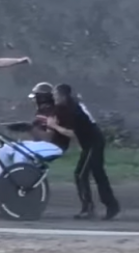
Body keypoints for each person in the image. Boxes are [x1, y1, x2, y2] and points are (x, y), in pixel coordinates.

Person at [43, 83, 120, 220]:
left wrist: (54, 126)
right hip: (91, 143)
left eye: (55, 95)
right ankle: (110, 206)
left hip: (93, 144)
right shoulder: (72, 106)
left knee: (81, 175)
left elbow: (72, 133)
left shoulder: (74, 110)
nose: (53, 97)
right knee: (97, 174)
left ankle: (89, 208)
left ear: (63, 96)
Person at [0, 82, 71, 182]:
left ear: (42, 98)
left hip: (55, 147)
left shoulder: (54, 113)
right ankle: (1, 183)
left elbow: (48, 139)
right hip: (43, 145)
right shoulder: (41, 113)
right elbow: (37, 139)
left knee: (21, 154)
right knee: (4, 149)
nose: (33, 100)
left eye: (35, 97)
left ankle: (21, 185)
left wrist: (30, 128)